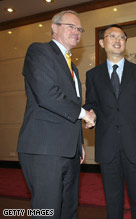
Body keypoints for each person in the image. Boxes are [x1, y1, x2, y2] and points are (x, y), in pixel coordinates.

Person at [17, 10, 96, 218]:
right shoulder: (39, 51)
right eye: (71, 26)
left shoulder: (73, 68)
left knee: (68, 210)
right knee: (47, 211)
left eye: (80, 29)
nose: (76, 32)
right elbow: (47, 95)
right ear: (54, 28)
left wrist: (78, 142)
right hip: (44, 149)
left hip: (68, 151)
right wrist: (84, 114)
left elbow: (68, 107)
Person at [84, 24, 136, 219]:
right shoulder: (93, 75)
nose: (118, 40)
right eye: (112, 36)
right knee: (113, 200)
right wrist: (89, 116)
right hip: (107, 145)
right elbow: (92, 104)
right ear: (102, 42)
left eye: (122, 37)